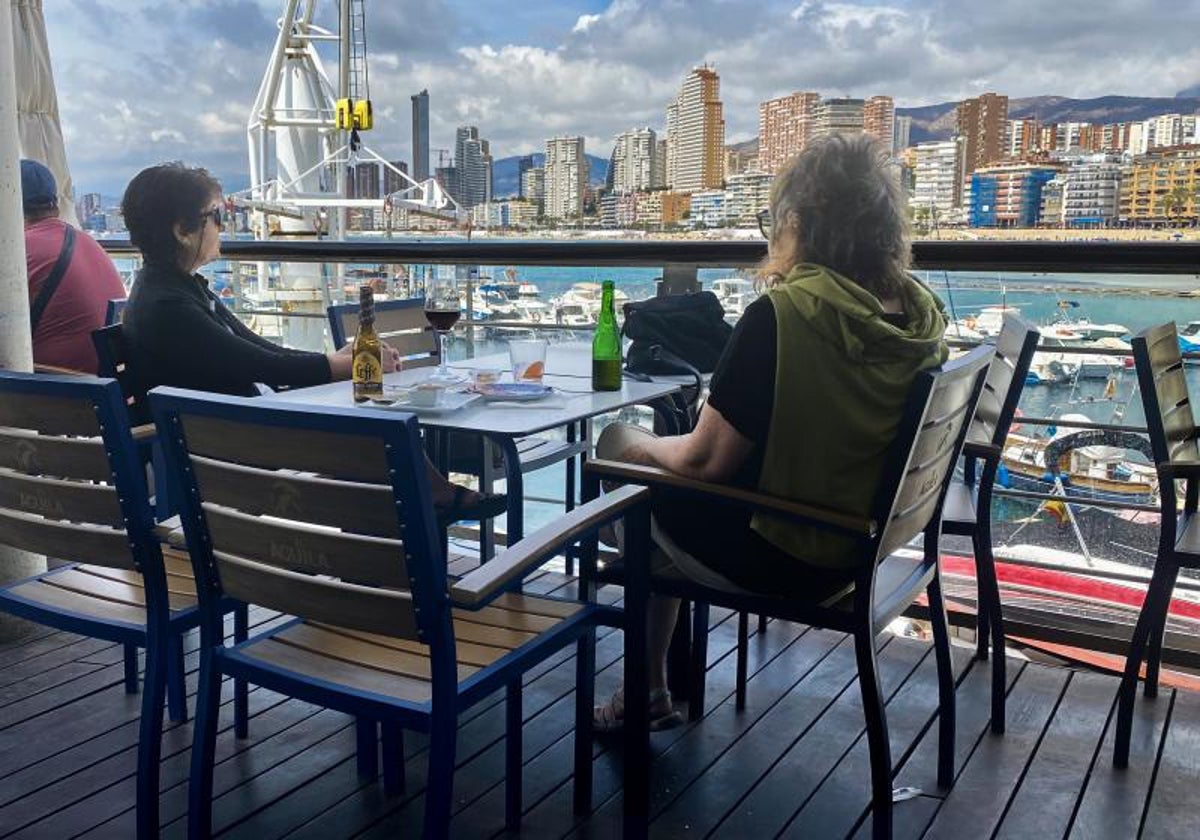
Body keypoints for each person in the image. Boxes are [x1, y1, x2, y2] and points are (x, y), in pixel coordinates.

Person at [594, 134, 949, 730]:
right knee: (647, 514)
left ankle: (644, 690)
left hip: (788, 554)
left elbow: (707, 464)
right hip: (861, 546)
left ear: (798, 225)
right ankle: (649, 685)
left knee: (620, 468)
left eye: (773, 221)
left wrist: (634, 444)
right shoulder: (918, 317)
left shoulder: (784, 317)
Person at [121, 161, 503, 520]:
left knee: (369, 418)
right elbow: (259, 364)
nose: (224, 226)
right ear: (181, 230)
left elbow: (257, 349)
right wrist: (335, 365)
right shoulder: (167, 305)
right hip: (226, 446)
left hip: (228, 431)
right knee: (373, 426)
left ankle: (413, 518)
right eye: (216, 217)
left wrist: (334, 361)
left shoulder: (174, 289)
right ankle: (429, 505)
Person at [21, 159, 126, 373]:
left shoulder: (18, 252)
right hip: (103, 390)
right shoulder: (86, 241)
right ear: (56, 204)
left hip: (57, 394)